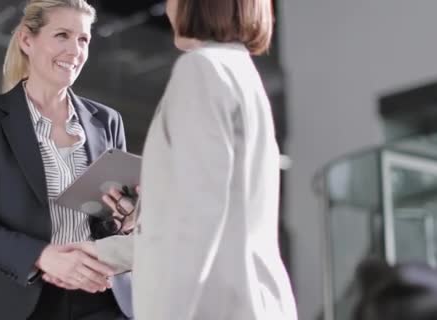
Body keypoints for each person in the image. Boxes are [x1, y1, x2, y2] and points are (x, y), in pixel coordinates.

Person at [93, 0, 299, 319]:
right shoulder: (239, 71)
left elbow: (198, 220)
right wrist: (92, 254)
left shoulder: (201, 68)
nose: (169, 7)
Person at [0, 1, 131, 319]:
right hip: (19, 300)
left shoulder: (106, 120)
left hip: (99, 297)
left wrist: (128, 217)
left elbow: (114, 217)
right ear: (27, 41)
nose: (75, 51)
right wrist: (42, 256)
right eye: (62, 35)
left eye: (83, 39)